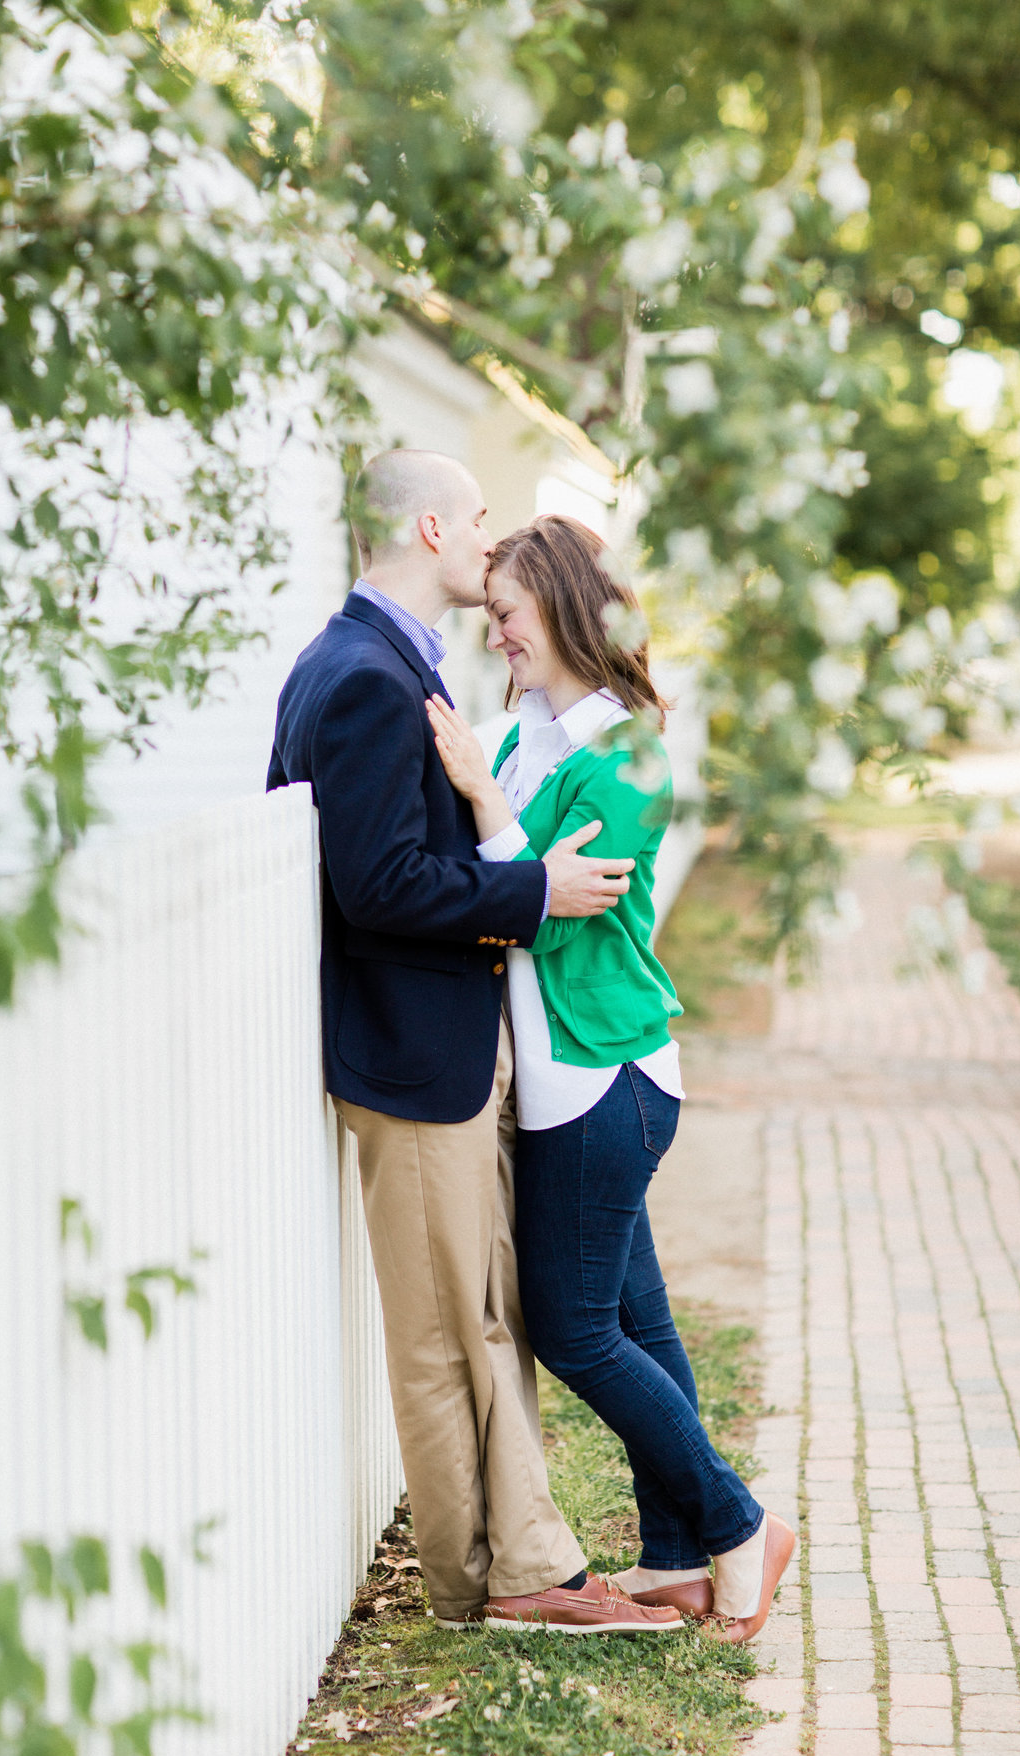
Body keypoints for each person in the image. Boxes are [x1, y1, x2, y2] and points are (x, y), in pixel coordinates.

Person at [267, 449, 685, 1635]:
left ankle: (528, 1565)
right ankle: (498, 1580)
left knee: (489, 1315)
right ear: (435, 528)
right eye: (482, 525)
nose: (491, 550)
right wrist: (533, 892)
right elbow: (383, 885)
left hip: (445, 1051)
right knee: (459, 1329)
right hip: (414, 1053)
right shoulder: (359, 675)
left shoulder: (387, 665)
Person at [426, 513, 795, 1641]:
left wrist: (491, 817)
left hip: (607, 1076)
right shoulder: (519, 733)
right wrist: (502, 830)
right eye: (490, 621)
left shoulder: (626, 754)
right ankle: (679, 1558)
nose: (498, 640)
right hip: (564, 1080)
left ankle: (740, 1525)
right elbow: (507, 885)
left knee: (576, 1327)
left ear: (561, 600)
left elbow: (537, 913)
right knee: (638, 1315)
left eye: (508, 617)